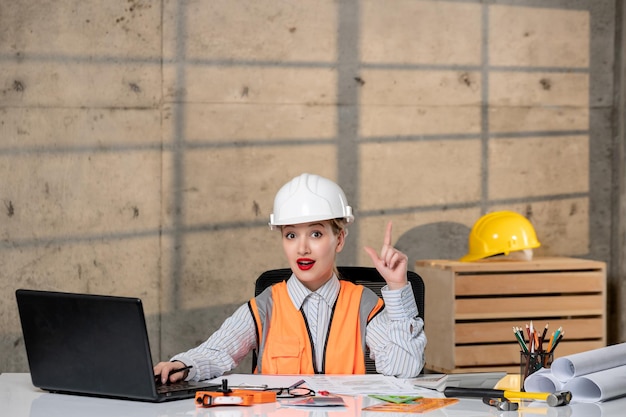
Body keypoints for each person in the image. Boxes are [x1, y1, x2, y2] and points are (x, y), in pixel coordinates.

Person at [154, 173, 426, 383]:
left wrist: (397, 286)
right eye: (291, 235)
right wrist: (183, 365)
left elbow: (403, 371)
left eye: (316, 234)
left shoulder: (364, 304)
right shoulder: (264, 307)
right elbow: (216, 353)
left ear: (339, 239)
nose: (302, 248)